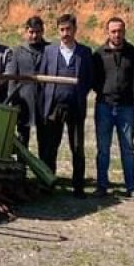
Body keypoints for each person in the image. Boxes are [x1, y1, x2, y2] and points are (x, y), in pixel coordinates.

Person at [38, 13, 93, 197]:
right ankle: (48, 184)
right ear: (57, 31)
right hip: (54, 107)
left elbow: (88, 79)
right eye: (62, 29)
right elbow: (42, 78)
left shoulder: (85, 52)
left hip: (75, 107)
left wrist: (79, 94)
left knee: (77, 148)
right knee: (51, 147)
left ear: (75, 30)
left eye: (68, 29)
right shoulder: (49, 51)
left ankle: (78, 187)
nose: (65, 33)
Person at [93, 17, 134, 198]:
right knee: (103, 149)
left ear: (124, 31)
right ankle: (101, 185)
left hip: (126, 108)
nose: (117, 34)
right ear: (108, 32)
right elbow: (94, 80)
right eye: (113, 31)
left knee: (128, 148)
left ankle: (131, 187)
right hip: (104, 106)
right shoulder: (98, 54)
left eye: (120, 31)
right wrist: (104, 92)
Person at [6, 16, 49, 148]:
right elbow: (12, 79)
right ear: (26, 31)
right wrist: (13, 102)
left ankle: (45, 168)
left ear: (42, 31)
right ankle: (20, 168)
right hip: (23, 103)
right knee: (22, 141)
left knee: (46, 143)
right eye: (31, 32)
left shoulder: (50, 50)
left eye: (37, 32)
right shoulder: (18, 51)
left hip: (44, 103)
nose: (34, 35)